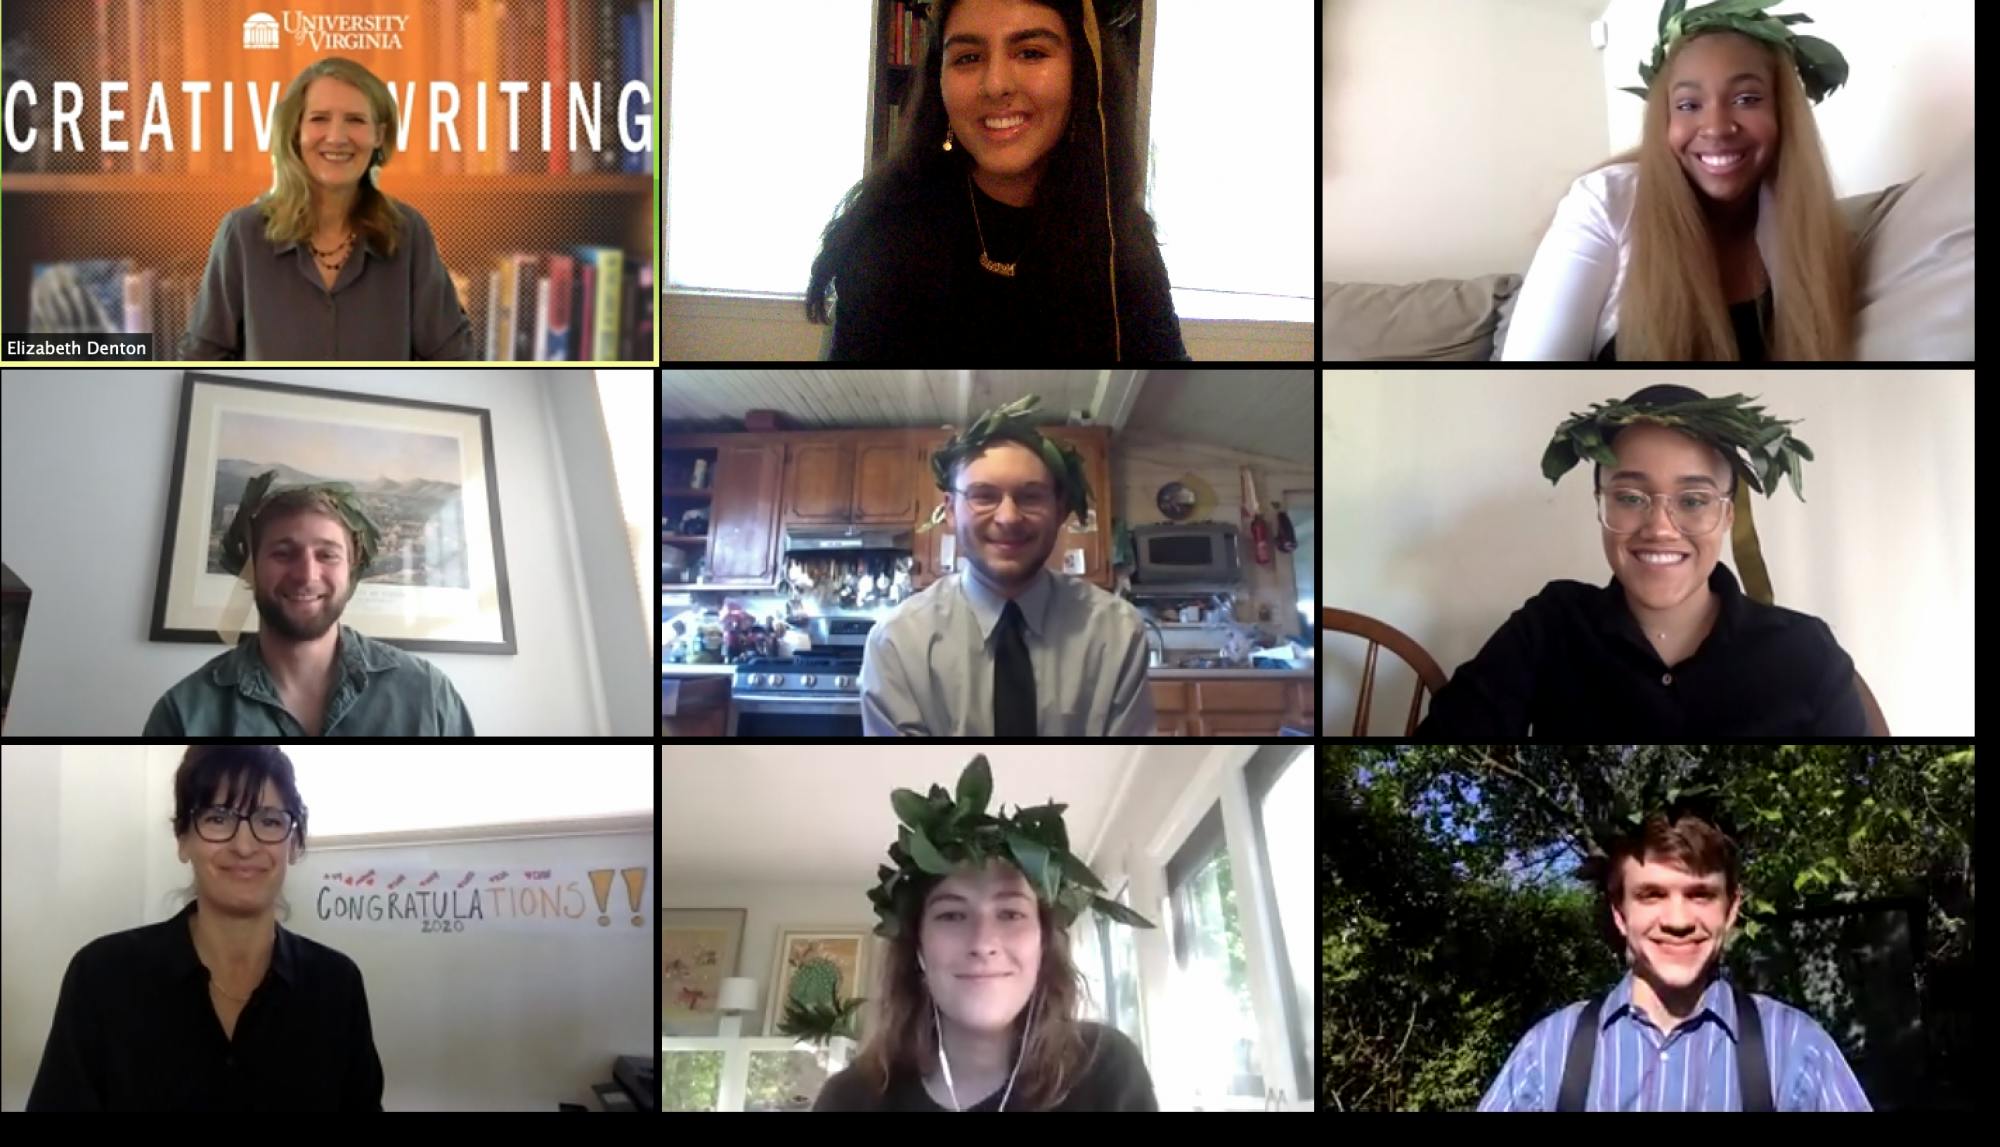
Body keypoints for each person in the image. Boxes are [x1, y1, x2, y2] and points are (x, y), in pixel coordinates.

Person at [1416, 384, 1864, 736]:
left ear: (1727, 515)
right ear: (1600, 503)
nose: (1661, 527)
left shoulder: (1807, 651)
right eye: (1630, 497)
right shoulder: (1551, 626)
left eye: (1693, 500)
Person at [806, 0, 1187, 361]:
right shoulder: (885, 237)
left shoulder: (1120, 238)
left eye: (1031, 52)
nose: (996, 84)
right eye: (968, 58)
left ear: (1081, 73)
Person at [27, 746, 384, 1111]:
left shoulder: (336, 986)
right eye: (218, 818)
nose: (244, 846)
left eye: (270, 820)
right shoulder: (102, 977)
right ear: (183, 840)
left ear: (293, 844)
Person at [1503, 0, 1853, 361]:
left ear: (1783, 112)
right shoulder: (1606, 202)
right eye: (1688, 105)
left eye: (1747, 99)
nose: (1717, 127)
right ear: (1664, 117)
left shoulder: (1805, 225)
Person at [814, 755, 1158, 1111]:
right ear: (918, 948)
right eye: (951, 915)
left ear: (1042, 943)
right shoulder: (849, 1099)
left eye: (1010, 913)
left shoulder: (1106, 1072)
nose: (982, 943)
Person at [1479, 808, 1870, 1111]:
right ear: (1620, 913)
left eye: (1700, 894)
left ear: (1731, 909)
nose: (1678, 921)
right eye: (1652, 895)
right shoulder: (1549, 1055)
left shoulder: (1796, 1051)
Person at [860, 395, 1154, 736]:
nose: (1009, 517)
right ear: (951, 511)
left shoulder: (1117, 634)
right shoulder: (897, 642)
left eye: (1030, 496)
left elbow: (1125, 770)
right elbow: (910, 782)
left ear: (1059, 511)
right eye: (984, 496)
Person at [181, 57, 473, 360]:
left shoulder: (408, 232)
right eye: (319, 119)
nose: (336, 137)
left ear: (379, 135)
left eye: (356, 120)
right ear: (295, 131)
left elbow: (453, 360)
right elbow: (201, 362)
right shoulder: (242, 234)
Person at [144, 470, 475, 736]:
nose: (306, 575)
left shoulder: (428, 695)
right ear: (251, 566)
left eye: (327, 555)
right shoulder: (183, 712)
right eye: (283, 553)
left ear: (351, 569)